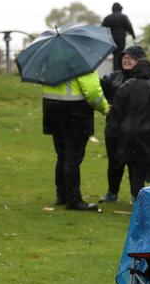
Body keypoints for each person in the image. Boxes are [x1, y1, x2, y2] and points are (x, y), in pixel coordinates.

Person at [105, 58, 150, 200]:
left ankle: (138, 201)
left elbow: (116, 113)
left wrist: (116, 136)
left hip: (129, 137)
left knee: (136, 170)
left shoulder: (125, 87)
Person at [42, 71, 109, 211]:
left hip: (52, 110)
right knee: (72, 158)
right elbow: (92, 92)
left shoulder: (51, 62)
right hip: (75, 113)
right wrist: (105, 108)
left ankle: (62, 195)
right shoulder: (82, 64)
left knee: (62, 155)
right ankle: (74, 200)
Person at [98, 45, 147, 203]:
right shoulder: (113, 77)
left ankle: (135, 195)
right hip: (114, 128)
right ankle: (112, 193)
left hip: (136, 129)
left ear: (140, 61)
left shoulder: (147, 80)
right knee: (114, 162)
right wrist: (105, 104)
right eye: (124, 57)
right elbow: (97, 89)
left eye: (131, 57)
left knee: (135, 163)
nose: (126, 59)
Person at [101, 2, 136, 71]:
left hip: (111, 40)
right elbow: (129, 27)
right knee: (120, 54)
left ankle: (116, 70)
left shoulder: (108, 18)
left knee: (115, 55)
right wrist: (133, 36)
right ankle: (119, 70)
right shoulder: (123, 17)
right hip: (121, 39)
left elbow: (102, 30)